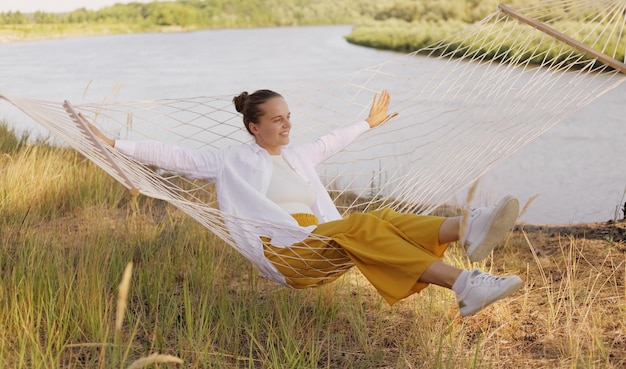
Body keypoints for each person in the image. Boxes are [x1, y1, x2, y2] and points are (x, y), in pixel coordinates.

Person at [81, 89, 522, 317]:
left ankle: (471, 227)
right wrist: (114, 142)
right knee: (361, 226)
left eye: (289, 117)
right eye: (277, 120)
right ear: (254, 127)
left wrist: (367, 124)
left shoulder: (296, 154)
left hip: (317, 239)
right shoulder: (232, 161)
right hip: (285, 252)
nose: (287, 125)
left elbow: (330, 141)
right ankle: (466, 284)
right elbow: (175, 156)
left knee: (377, 219)